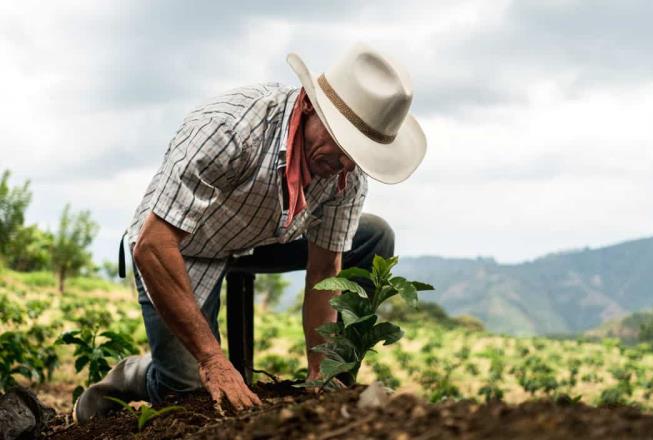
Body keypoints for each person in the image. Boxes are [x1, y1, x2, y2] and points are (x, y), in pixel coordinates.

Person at [74, 42, 427, 422]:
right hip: (183, 245)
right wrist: (212, 360)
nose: (345, 164)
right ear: (310, 106)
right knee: (188, 390)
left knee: (374, 235)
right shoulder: (230, 129)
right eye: (342, 145)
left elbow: (326, 270)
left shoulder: (345, 172)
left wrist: (320, 374)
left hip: (262, 236)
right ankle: (133, 375)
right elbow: (153, 245)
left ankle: (336, 385)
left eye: (357, 154)